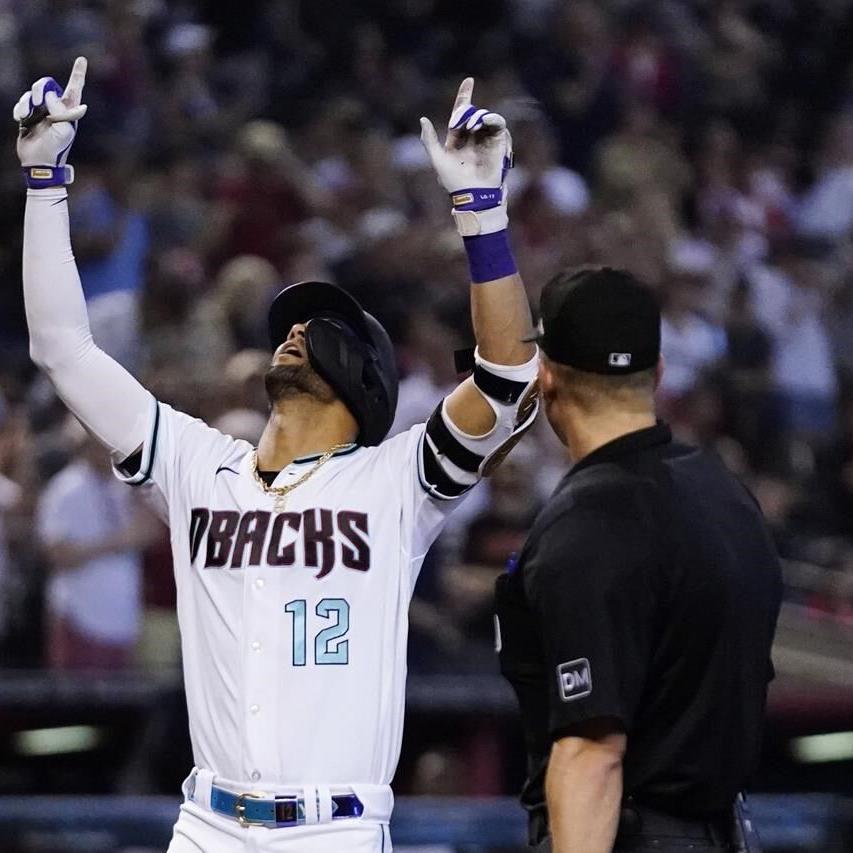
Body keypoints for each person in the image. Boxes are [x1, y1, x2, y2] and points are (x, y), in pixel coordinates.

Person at [15, 60, 539, 852]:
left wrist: (479, 208)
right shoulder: (196, 464)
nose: (292, 331)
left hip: (334, 827)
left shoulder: (397, 479)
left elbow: (506, 377)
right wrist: (44, 181)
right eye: (291, 324)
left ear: (361, 374)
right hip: (206, 825)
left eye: (317, 327)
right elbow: (61, 348)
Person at [495, 267, 782, 852]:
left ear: (546, 377)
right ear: (658, 373)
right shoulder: (725, 492)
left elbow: (592, 752)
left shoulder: (587, 524)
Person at [36, 422, 152, 669]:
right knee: (79, 704)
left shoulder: (123, 486)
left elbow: (148, 533)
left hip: (122, 618)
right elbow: (57, 555)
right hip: (80, 616)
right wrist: (115, 542)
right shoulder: (65, 489)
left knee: (119, 704)